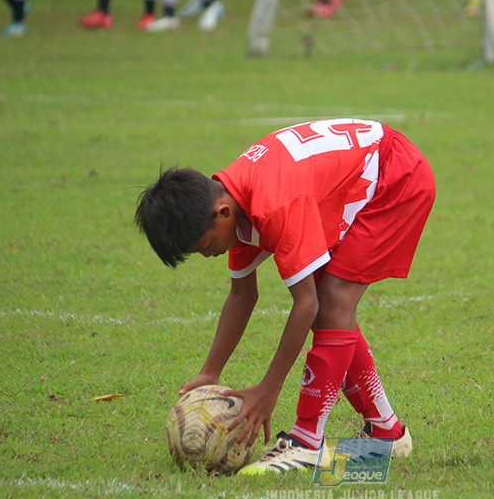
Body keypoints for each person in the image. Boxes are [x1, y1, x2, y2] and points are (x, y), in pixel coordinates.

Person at [135, 118, 435, 474]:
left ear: (222, 214)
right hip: (359, 170)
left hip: (396, 176)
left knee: (332, 299)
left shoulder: (271, 205)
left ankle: (307, 442)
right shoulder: (232, 198)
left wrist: (268, 389)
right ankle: (386, 432)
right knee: (329, 305)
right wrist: (209, 372)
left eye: (206, 247)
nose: (209, 255)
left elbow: (306, 304)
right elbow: (242, 295)